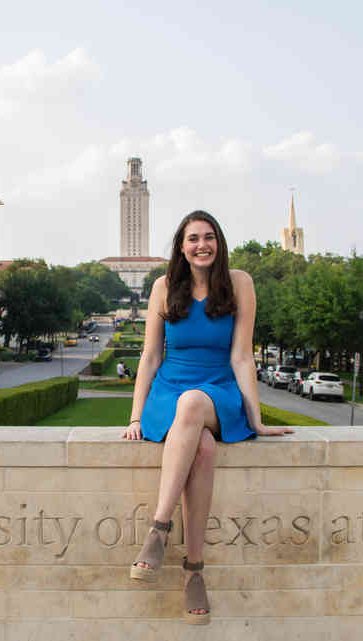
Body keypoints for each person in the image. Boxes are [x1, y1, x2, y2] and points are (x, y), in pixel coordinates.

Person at [122, 210, 292, 625]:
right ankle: (194, 571)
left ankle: (159, 529)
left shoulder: (240, 283)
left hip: (217, 391)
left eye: (209, 237)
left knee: (194, 403)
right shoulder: (163, 287)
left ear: (219, 242)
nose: (202, 245)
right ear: (181, 248)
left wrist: (256, 420)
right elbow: (151, 356)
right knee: (203, 447)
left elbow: (242, 356)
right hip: (169, 391)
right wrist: (135, 416)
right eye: (193, 238)